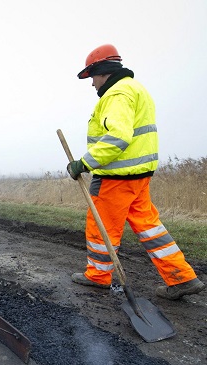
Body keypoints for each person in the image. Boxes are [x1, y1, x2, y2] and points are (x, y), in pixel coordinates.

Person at [67, 44, 204, 300]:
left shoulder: (116, 94)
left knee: (102, 226)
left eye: (92, 77)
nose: (92, 84)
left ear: (102, 70)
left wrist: (85, 163)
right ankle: (182, 277)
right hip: (139, 176)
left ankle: (97, 276)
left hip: (116, 177)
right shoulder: (136, 89)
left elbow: (118, 136)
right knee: (150, 227)